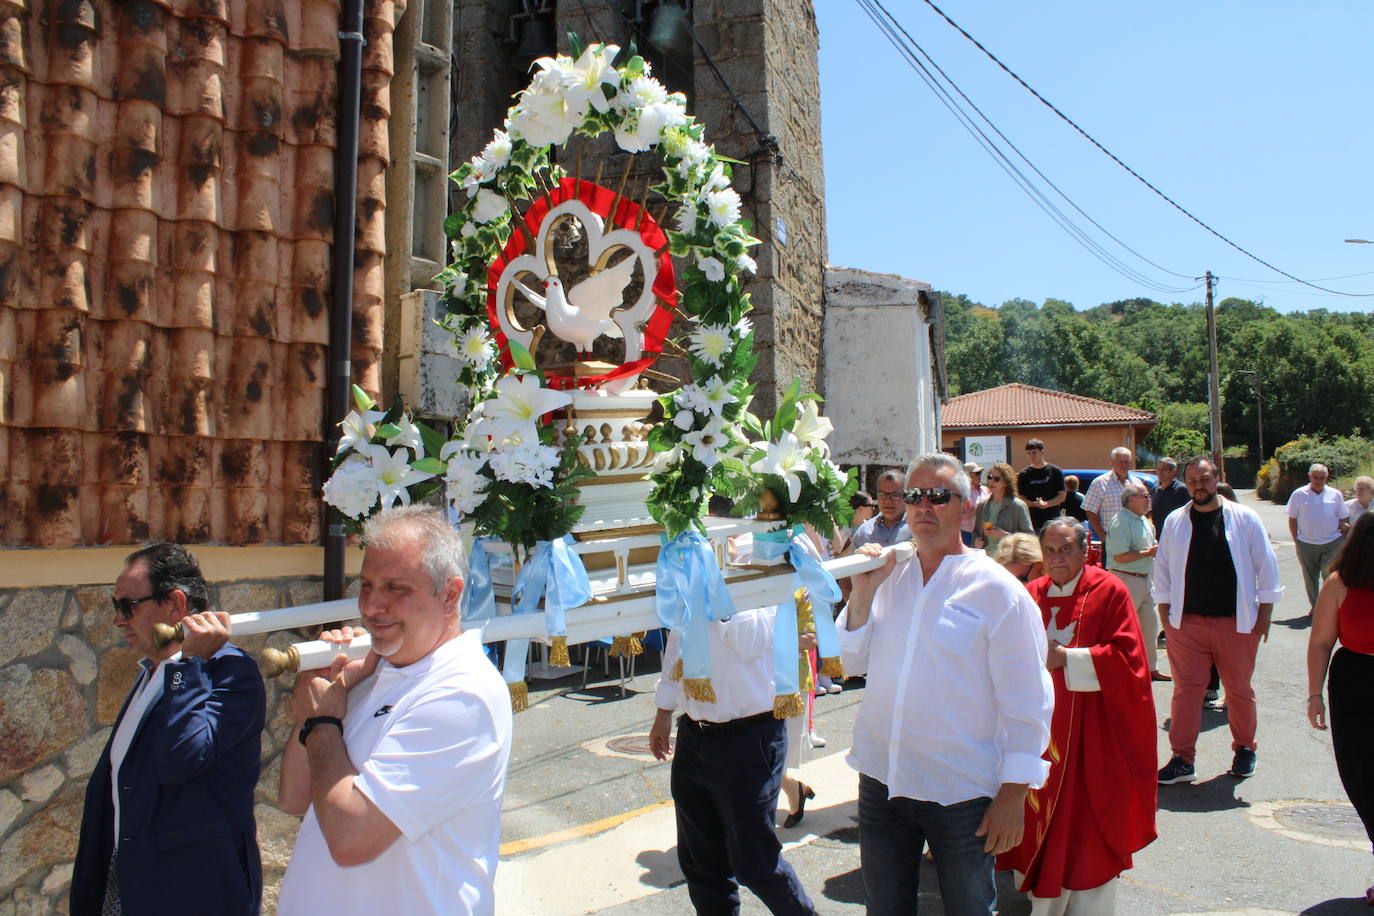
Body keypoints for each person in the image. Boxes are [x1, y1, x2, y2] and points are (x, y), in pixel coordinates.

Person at [838, 452, 1054, 914]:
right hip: (883, 779)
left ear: (967, 506)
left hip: (962, 792)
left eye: (938, 496)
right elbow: (851, 662)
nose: (923, 507)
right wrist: (862, 593)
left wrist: (1013, 795)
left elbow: (1029, 702)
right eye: (914, 496)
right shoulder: (888, 575)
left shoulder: (999, 592)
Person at [277, 506, 513, 915]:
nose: (372, 606)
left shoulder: (461, 694)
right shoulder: (374, 670)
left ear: (450, 595)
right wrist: (320, 701)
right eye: (366, 585)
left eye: (396, 588)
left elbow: (352, 839)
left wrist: (321, 723)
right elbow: (294, 798)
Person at [71, 543, 266, 916]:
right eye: (116, 606)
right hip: (134, 887)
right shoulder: (155, 672)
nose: (118, 620)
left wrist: (190, 662)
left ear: (175, 604)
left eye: (128, 606)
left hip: (193, 893)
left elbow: (181, 759)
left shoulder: (228, 672)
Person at [650, 539, 817, 915]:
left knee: (755, 863)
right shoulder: (691, 577)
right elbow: (677, 645)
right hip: (696, 734)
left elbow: (748, 640)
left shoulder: (763, 574)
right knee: (701, 863)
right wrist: (663, 712)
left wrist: (718, 590)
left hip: (749, 738)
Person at [998, 518, 1157, 914]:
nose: (1057, 558)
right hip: (1038, 733)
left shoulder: (1109, 591)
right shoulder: (1029, 594)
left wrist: (1068, 658)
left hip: (1090, 734)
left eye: (1066, 549)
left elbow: (1129, 660)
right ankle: (1042, 900)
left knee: (1085, 823)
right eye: (1049, 550)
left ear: (1084, 549)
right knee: (1035, 817)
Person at [1153, 457, 1283, 784]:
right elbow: (1164, 572)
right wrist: (1166, 618)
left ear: (1217, 479)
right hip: (1188, 624)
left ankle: (1244, 749)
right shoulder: (1175, 521)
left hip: (1236, 622)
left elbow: (1266, 568)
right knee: (1186, 691)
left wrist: (1263, 617)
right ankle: (1183, 758)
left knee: (1238, 690)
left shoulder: (1244, 517)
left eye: (1205, 478)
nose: (1199, 484)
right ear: (1187, 483)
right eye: (1193, 479)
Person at [1307, 512, 1374, 904]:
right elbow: (1320, 642)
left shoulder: (1338, 581)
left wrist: (1316, 696)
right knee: (1360, 777)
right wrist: (1314, 695)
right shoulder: (1339, 584)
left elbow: (1319, 644)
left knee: (1362, 776)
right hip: (1353, 683)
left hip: (1351, 682)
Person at [1106, 480, 1168, 681]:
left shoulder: (1143, 520)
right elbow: (1119, 556)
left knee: (1150, 625)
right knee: (1123, 627)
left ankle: (1151, 668)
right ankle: (1120, 667)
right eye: (1145, 497)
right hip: (1125, 579)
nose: (1149, 500)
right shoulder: (1120, 521)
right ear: (1131, 499)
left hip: (1144, 579)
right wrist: (1148, 553)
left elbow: (1151, 546)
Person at [1289, 463, 1351, 612]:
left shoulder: (1335, 494)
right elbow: (1292, 518)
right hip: (1306, 542)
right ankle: (1316, 607)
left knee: (1329, 575)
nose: (1319, 480)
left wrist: (1344, 526)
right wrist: (1296, 539)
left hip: (1332, 542)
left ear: (1327, 477)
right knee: (1310, 577)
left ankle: (1328, 606)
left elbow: (1344, 516)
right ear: (1310, 477)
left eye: (1322, 477)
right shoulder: (1298, 494)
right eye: (1315, 477)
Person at [974, 461, 1033, 559]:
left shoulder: (1017, 506)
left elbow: (1030, 538)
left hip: (1009, 561)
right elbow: (976, 532)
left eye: (996, 479)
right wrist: (976, 541)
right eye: (989, 477)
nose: (991, 481)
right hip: (986, 560)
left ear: (1005, 483)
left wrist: (1005, 535)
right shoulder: (982, 506)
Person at [851, 468, 913, 549]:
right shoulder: (863, 533)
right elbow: (854, 560)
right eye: (883, 495)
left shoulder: (917, 529)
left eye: (894, 495)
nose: (888, 501)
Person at [1083, 447, 1135, 543]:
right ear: (1112, 462)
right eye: (1120, 462)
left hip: (1134, 538)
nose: (1124, 465)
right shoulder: (1099, 483)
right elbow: (1090, 512)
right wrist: (1103, 537)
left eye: (1127, 462)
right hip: (1112, 539)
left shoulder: (1136, 483)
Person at [1018, 438, 1067, 533]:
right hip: (1032, 523)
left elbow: (1062, 496)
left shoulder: (1055, 471)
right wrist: (1034, 504)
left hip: (1053, 521)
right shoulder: (1024, 474)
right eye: (1028, 453)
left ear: (1042, 452)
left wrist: (1047, 504)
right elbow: (1021, 498)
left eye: (1034, 452)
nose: (1031, 456)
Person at [1151, 457, 1191, 538]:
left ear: (1173, 471)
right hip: (1158, 536)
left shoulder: (1182, 490)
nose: (1160, 472)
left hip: (1177, 536)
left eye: (1164, 470)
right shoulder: (1154, 489)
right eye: (1158, 469)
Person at [961, 461, 989, 547]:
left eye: (980, 473)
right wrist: (978, 509)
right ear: (967, 475)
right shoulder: (962, 493)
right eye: (977, 473)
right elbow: (959, 516)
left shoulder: (986, 490)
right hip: (967, 534)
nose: (980, 476)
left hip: (986, 533)